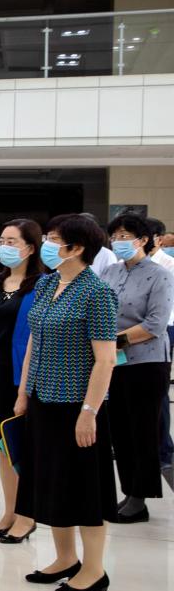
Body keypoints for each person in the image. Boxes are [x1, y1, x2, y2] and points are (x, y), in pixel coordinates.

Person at [16, 214, 118, 591]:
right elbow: (34, 340)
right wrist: (24, 391)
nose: (48, 244)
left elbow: (105, 360)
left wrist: (89, 413)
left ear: (76, 248)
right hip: (43, 398)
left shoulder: (97, 293)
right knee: (52, 483)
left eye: (54, 239)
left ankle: (93, 569)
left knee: (84, 488)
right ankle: (65, 558)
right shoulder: (47, 283)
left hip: (77, 405)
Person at [99, 213, 174, 523]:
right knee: (120, 431)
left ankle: (140, 499)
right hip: (112, 362)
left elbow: (155, 324)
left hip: (147, 362)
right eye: (115, 236)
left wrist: (112, 340)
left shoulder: (160, 275)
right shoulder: (110, 271)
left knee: (143, 431)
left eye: (125, 236)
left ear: (143, 240)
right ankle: (128, 490)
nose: (118, 241)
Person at [0, 219, 44, 543]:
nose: (4, 247)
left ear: (31, 247)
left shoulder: (42, 284)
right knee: (4, 444)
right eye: (2, 240)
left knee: (24, 446)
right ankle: (10, 511)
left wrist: (26, 387)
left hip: (24, 375)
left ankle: (28, 516)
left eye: (12, 241)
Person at [144, 218, 174, 491]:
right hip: (123, 342)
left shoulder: (167, 266)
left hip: (163, 331)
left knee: (158, 395)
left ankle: (164, 451)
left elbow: (157, 320)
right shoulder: (119, 268)